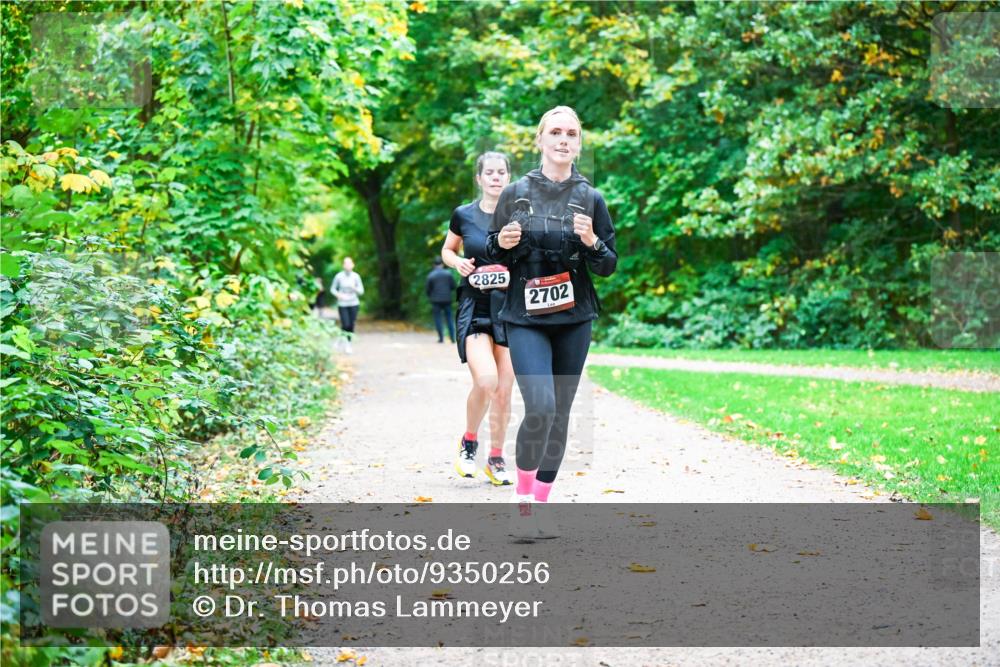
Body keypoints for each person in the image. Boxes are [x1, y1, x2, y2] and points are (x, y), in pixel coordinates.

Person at [485, 107, 617, 536]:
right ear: (540, 140)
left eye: (572, 134)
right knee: (540, 407)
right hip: (526, 316)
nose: (564, 140)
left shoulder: (591, 198)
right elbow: (493, 249)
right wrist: (501, 242)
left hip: (574, 317)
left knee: (559, 414)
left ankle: (540, 503)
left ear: (579, 144)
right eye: (556, 132)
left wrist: (592, 240)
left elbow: (608, 264)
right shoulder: (516, 193)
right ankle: (521, 502)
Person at [441, 151, 516, 486]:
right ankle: (469, 440)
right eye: (490, 172)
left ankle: (496, 459)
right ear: (479, 178)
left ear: (508, 177)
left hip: (511, 310)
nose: (496, 177)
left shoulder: (519, 216)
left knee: (504, 390)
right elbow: (448, 249)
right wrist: (456, 263)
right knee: (486, 380)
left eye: (502, 172)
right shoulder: (464, 215)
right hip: (474, 308)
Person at [331, 256, 363, 354]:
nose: (347, 265)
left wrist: (354, 288)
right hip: (342, 304)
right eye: (345, 263)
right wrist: (338, 295)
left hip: (354, 303)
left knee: (351, 324)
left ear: (353, 265)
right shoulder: (338, 276)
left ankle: (347, 343)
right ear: (343, 265)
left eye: (349, 263)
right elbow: (332, 289)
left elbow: (361, 291)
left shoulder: (356, 276)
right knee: (345, 324)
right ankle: (342, 340)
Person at [426, 258, 457, 343]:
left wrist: (431, 296)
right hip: (447, 299)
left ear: (434, 265)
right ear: (442, 264)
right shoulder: (448, 274)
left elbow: (428, 290)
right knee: (449, 318)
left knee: (438, 319)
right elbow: (453, 286)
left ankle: (441, 338)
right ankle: (452, 338)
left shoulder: (431, 275)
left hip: (436, 300)